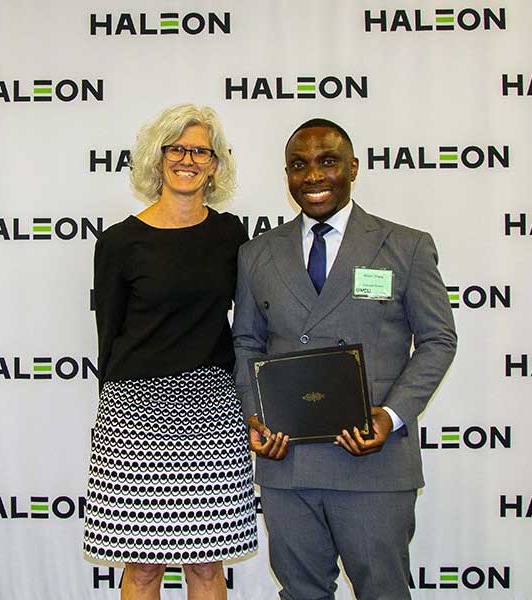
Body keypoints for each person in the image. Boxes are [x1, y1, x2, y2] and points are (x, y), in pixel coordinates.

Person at [232, 118, 457, 600]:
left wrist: (390, 417)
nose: (313, 176)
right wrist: (257, 416)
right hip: (287, 462)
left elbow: (438, 340)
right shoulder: (256, 254)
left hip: (372, 461)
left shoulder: (406, 246)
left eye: (327, 161)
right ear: (286, 175)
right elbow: (247, 344)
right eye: (298, 165)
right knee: (301, 593)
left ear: (353, 168)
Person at [83, 104, 257, 600]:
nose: (187, 159)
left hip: (212, 412)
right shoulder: (119, 242)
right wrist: (119, 408)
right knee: (141, 571)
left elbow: (244, 322)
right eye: (176, 149)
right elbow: (109, 332)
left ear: (215, 165)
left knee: (206, 569)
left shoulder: (230, 235)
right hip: (135, 416)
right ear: (156, 160)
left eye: (199, 150)